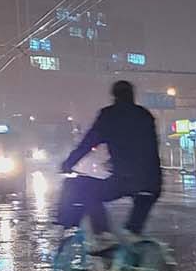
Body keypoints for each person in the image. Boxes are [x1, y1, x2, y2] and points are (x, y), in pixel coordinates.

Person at [57, 80, 162, 251]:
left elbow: (87, 143)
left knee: (86, 190)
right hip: (153, 183)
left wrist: (68, 163)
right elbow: (144, 147)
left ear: (114, 96)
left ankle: (103, 235)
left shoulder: (110, 115)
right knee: (132, 232)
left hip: (125, 179)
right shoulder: (145, 115)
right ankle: (135, 262)